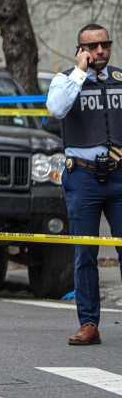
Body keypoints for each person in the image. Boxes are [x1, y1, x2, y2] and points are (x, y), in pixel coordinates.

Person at [45, 22, 122, 345]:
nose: (100, 51)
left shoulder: (120, 80)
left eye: (105, 44)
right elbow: (57, 109)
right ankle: (89, 323)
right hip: (84, 177)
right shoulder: (65, 80)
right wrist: (80, 72)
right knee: (85, 253)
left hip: (119, 175)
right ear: (81, 51)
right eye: (92, 46)